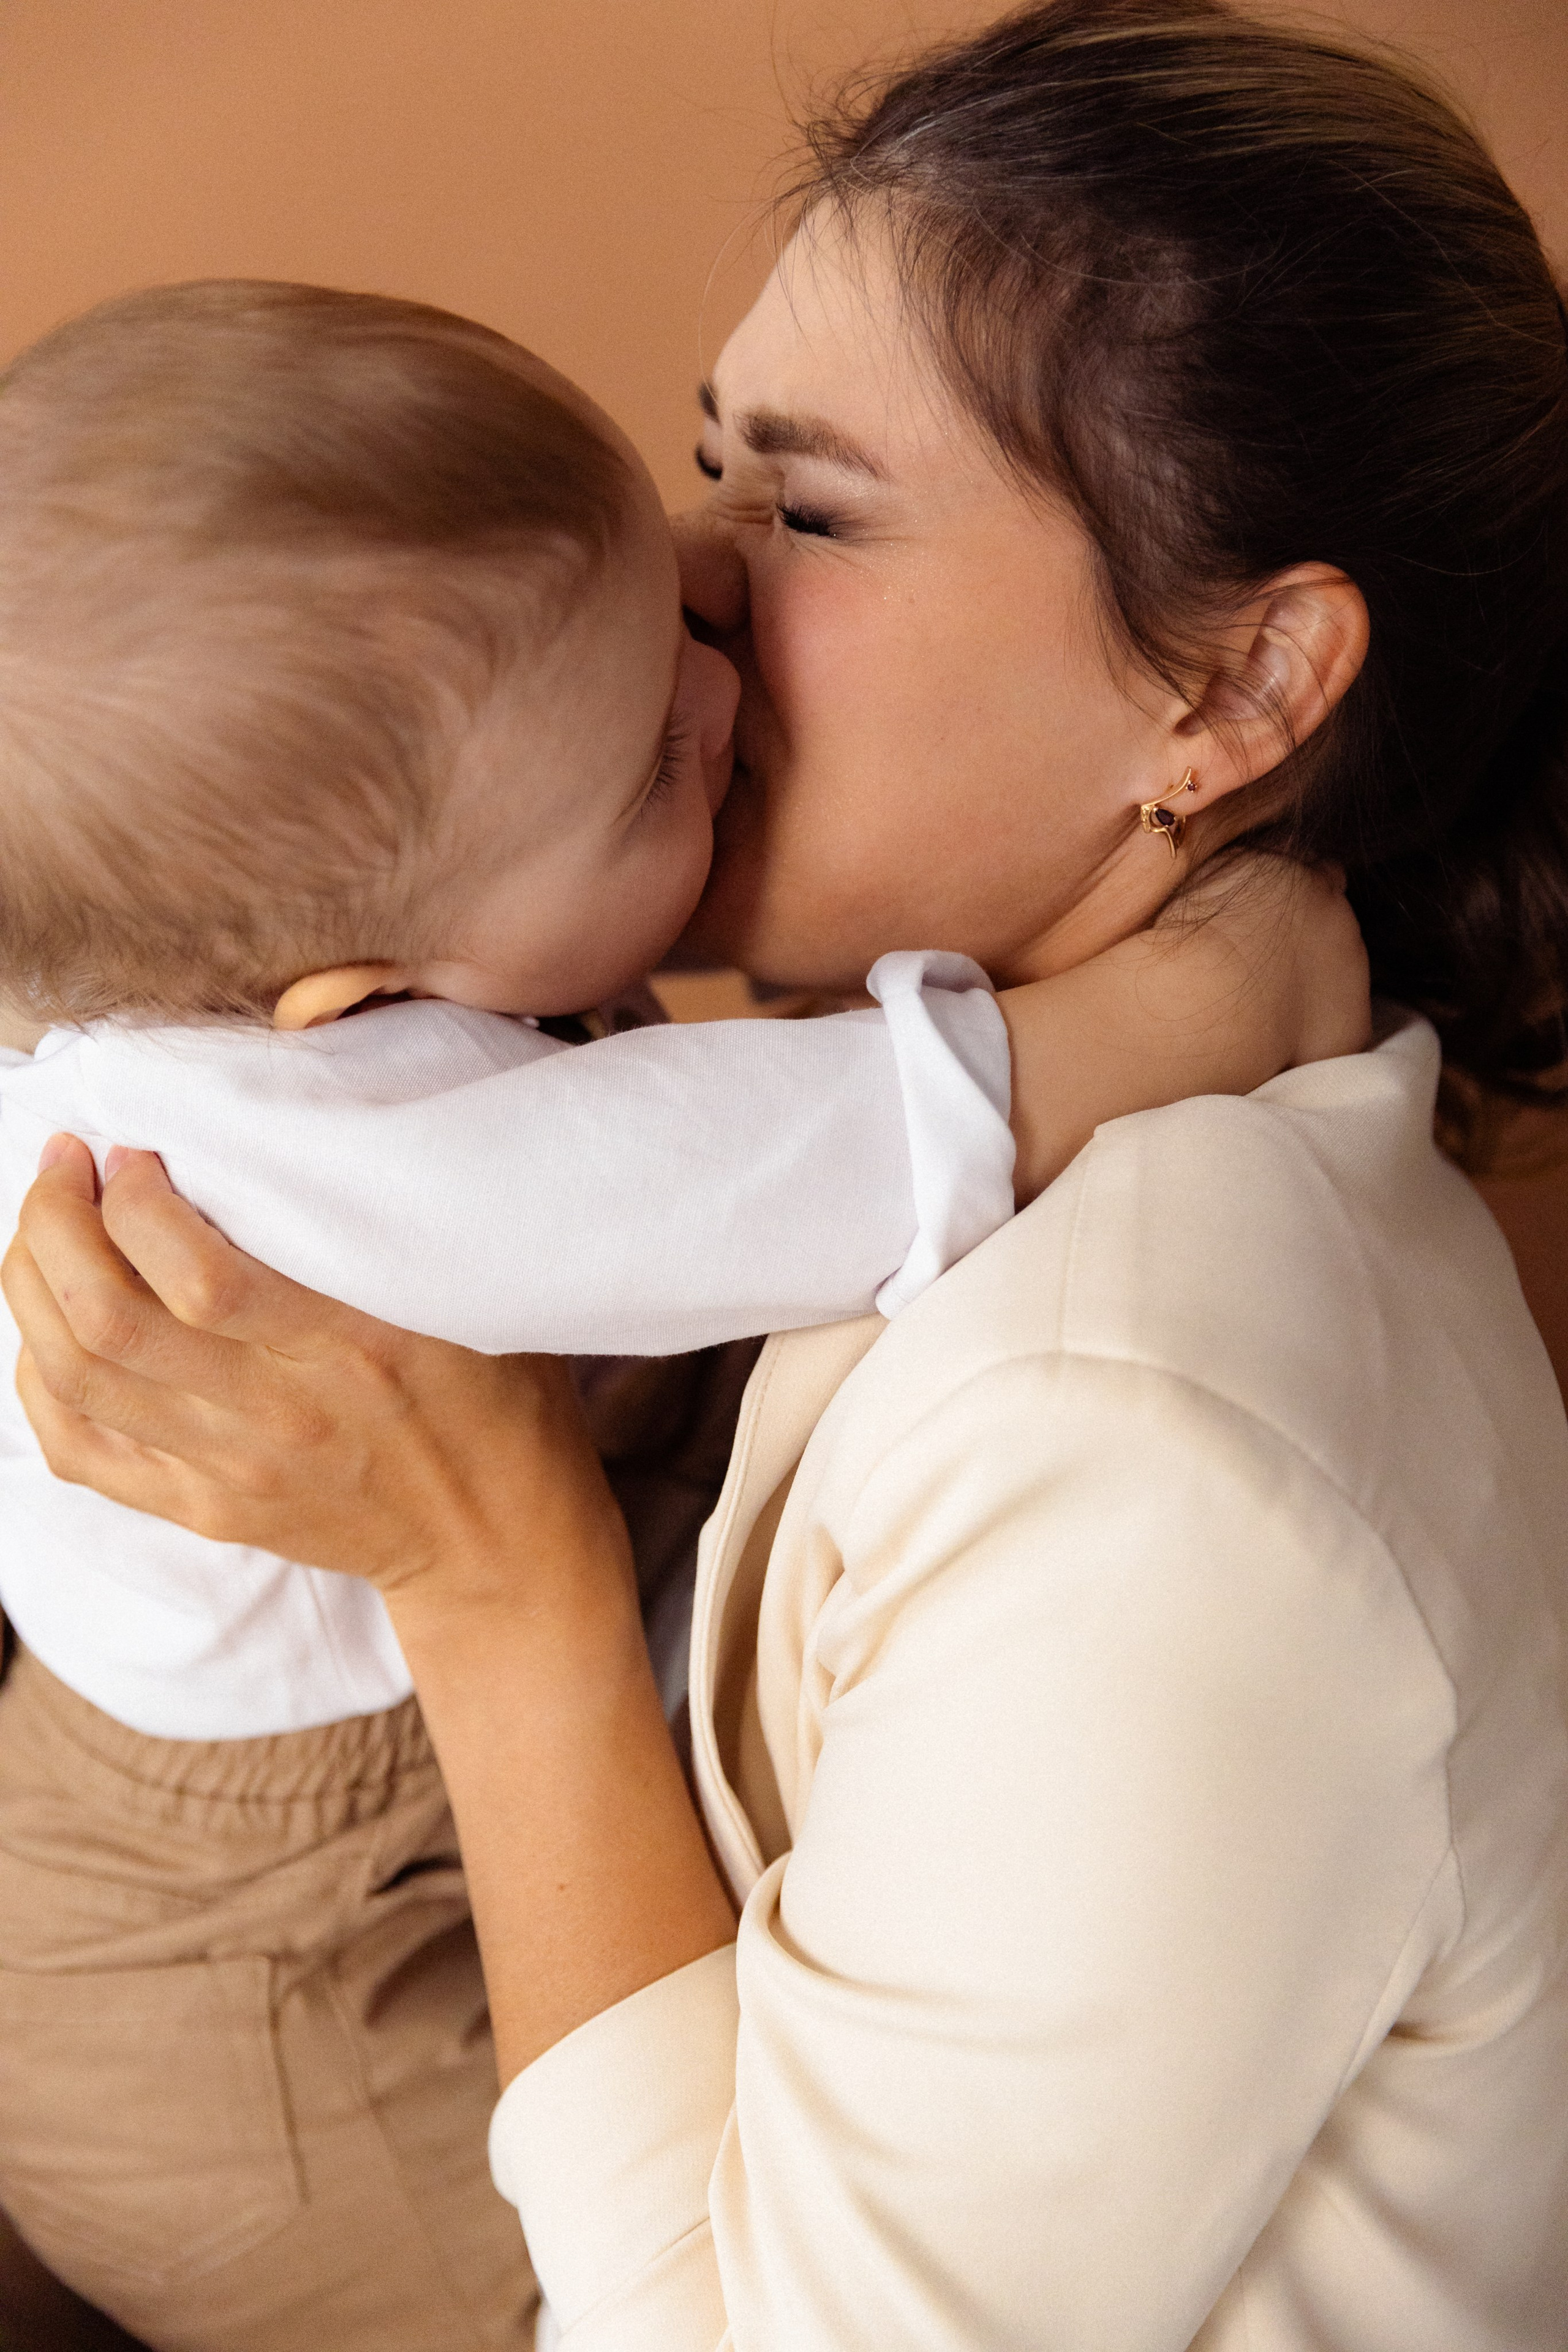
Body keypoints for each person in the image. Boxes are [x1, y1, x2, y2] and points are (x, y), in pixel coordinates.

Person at [8, 0, 1568, 2342]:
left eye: (813, 512)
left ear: (1234, 698)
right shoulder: (846, 1146)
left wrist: (492, 1567)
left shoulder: (1147, 1457)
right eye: (712, 466)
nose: (692, 588)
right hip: (232, 1961)